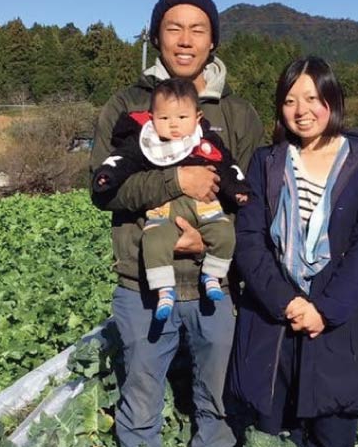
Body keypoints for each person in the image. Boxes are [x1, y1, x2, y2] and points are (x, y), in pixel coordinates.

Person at [88, 0, 263, 447]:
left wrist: (204, 240)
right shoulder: (127, 108)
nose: (185, 40)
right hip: (141, 284)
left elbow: (250, 195)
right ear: (156, 36)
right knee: (140, 395)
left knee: (218, 395)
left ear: (213, 41)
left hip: (217, 284)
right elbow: (105, 189)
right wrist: (177, 183)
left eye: (198, 29)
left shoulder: (238, 114)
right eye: (173, 28)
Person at [228, 55, 358, 447]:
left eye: (313, 98)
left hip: (338, 326)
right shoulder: (266, 163)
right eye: (290, 100)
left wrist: (325, 310)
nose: (302, 111)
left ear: (332, 100)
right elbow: (249, 240)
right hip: (274, 324)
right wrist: (288, 301)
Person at [92, 77, 250, 320]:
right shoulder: (144, 143)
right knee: (154, 240)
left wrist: (238, 189)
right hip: (163, 212)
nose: (173, 125)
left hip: (205, 210)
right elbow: (120, 161)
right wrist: (107, 175)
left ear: (197, 118)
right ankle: (163, 288)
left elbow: (228, 169)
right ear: (152, 118)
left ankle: (213, 275)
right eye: (164, 119)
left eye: (182, 118)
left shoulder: (207, 142)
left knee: (224, 233)